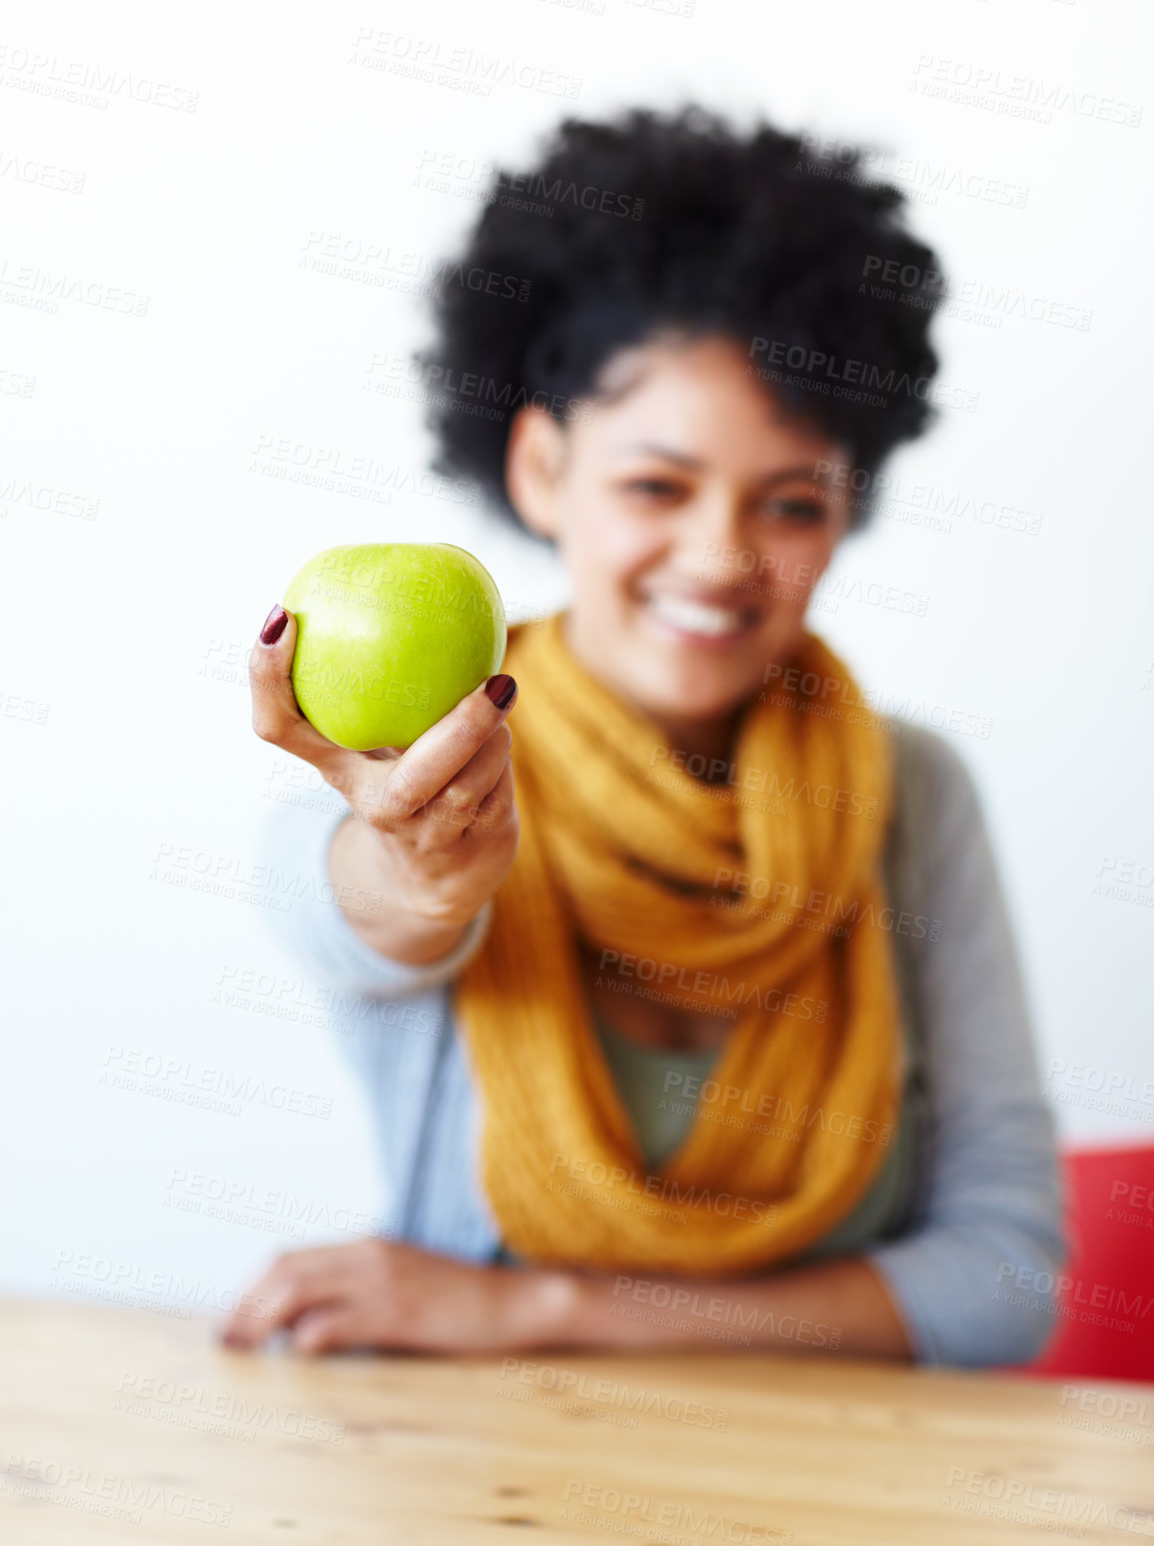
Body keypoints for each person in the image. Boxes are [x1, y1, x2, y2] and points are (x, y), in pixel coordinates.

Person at [221, 105, 1063, 1365]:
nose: (720, 559)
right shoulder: (433, 771)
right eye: (655, 485)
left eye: (788, 501)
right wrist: (415, 864)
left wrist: (543, 1312)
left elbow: (1003, 1276)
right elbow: (344, 901)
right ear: (542, 469)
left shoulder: (912, 792)